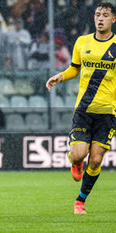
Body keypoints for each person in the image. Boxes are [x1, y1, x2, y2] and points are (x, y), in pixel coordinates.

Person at [46, 2, 116, 215]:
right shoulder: (82, 42)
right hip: (84, 109)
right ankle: (75, 162)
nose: (100, 18)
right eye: (97, 15)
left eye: (105, 15)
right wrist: (61, 76)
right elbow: (74, 68)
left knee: (95, 159)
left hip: (108, 112)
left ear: (113, 19)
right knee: (79, 154)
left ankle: (80, 201)